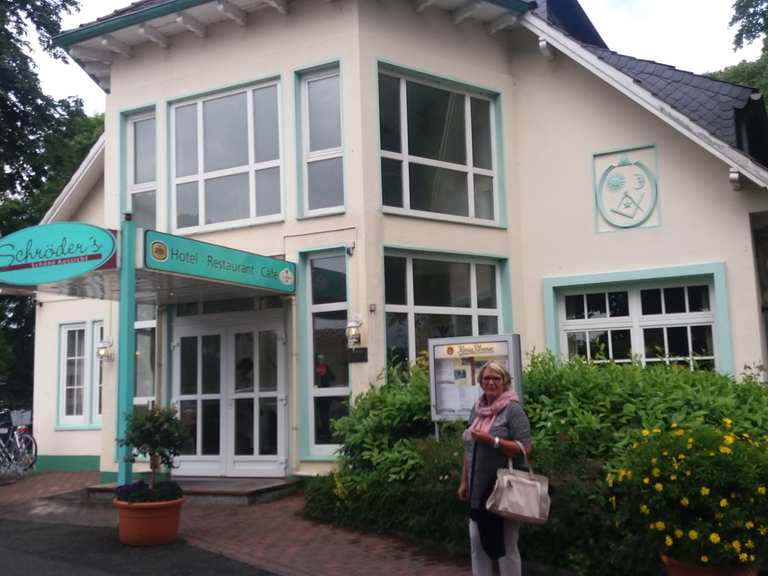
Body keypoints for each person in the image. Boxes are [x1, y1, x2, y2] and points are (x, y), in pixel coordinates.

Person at [458, 361, 532, 576]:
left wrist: (493, 441)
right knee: (477, 542)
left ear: (505, 381)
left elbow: (525, 448)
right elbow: (469, 448)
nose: (491, 382)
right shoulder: (477, 409)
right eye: (487, 378)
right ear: (480, 382)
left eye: (496, 378)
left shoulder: (513, 410)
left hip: (503, 490)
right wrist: (463, 481)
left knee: (506, 546)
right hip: (477, 489)